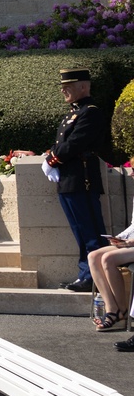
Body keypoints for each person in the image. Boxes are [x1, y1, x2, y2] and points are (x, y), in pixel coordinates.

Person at [46, 68, 109, 292]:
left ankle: (95, 277)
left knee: (90, 231)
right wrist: (52, 156)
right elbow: (61, 143)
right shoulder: (73, 113)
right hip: (68, 180)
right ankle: (85, 274)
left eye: (69, 86)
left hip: (83, 180)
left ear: (84, 86)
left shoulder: (90, 112)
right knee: (79, 231)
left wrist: (52, 159)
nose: (63, 89)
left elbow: (75, 144)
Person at [87, 200, 134, 334]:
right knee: (93, 256)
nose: (130, 177)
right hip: (131, 242)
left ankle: (121, 312)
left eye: (132, 175)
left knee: (108, 258)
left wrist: (129, 242)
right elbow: (133, 226)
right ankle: (112, 308)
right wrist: (119, 238)